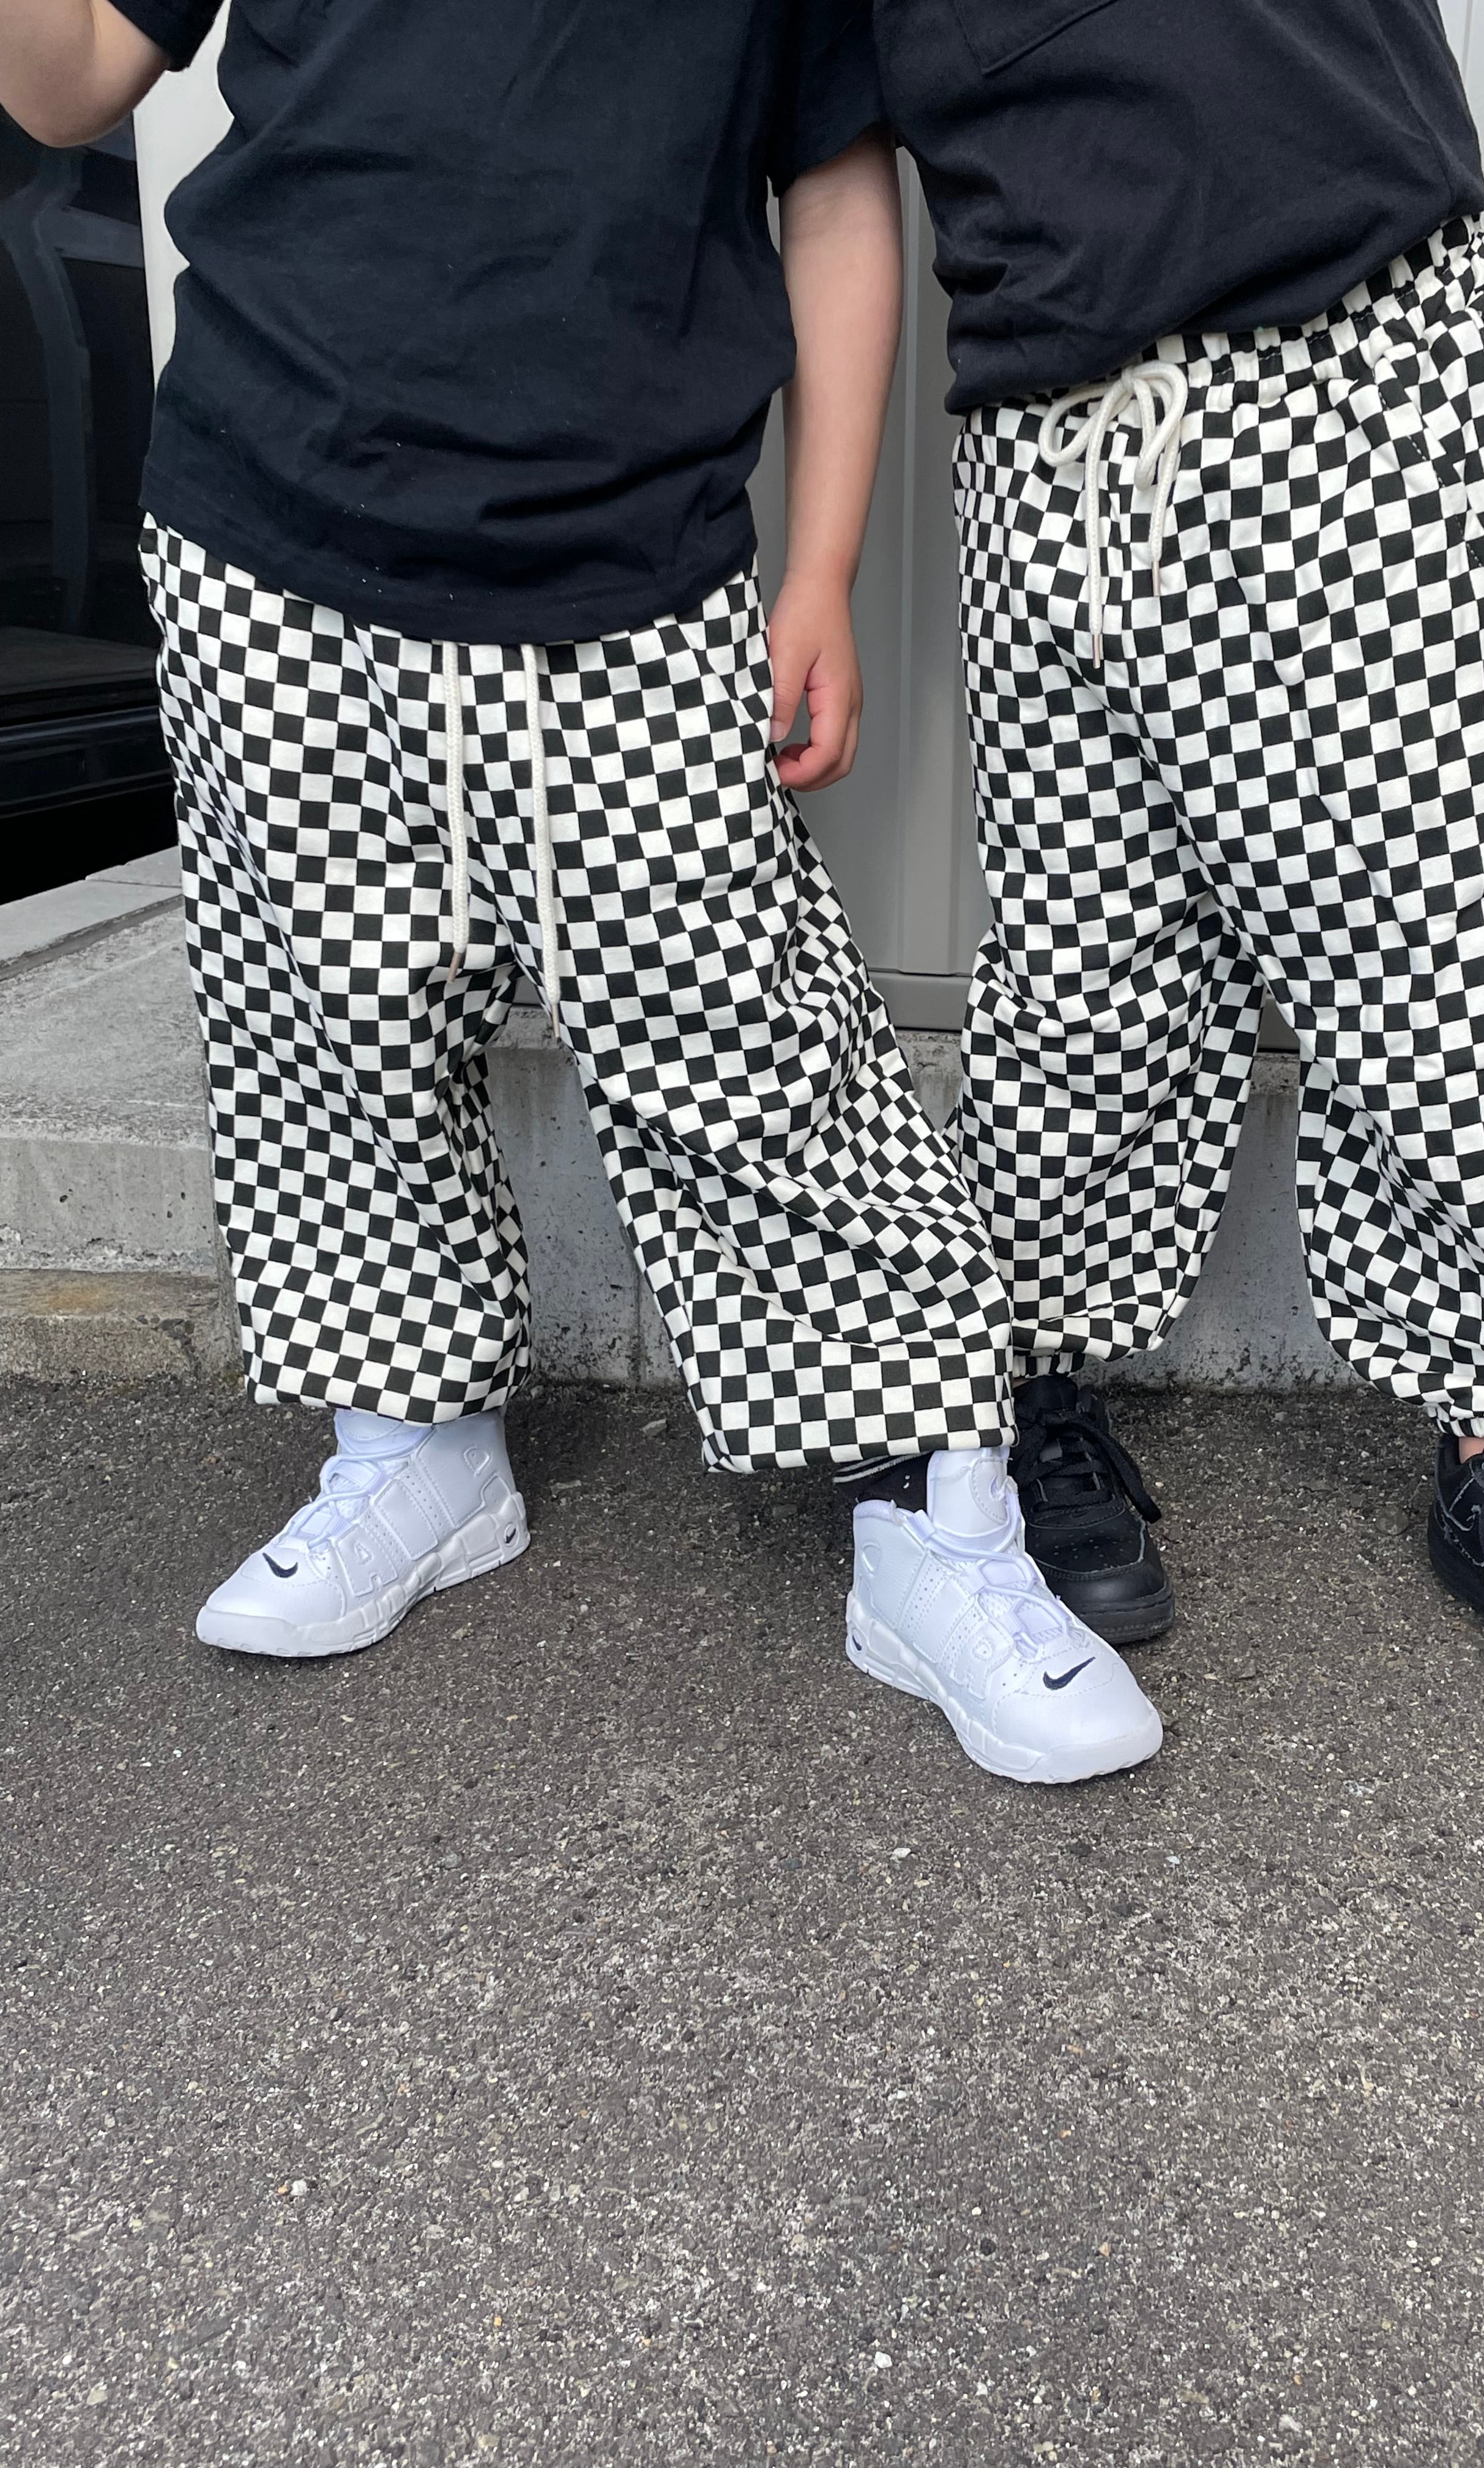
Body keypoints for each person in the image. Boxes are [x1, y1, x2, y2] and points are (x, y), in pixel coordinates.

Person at [0, 0, 1163, 1785]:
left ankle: (940, 1523)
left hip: (630, 558)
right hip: (267, 518)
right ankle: (413, 1450)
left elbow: (838, 185)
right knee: (331, 1037)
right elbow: (67, 79)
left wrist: (824, 565)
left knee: (757, 1063)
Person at [855, 0, 1484, 1744]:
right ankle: (1033, 1382)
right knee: (1087, 969)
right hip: (1048, 416)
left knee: (1448, 947)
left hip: (1352, 356)